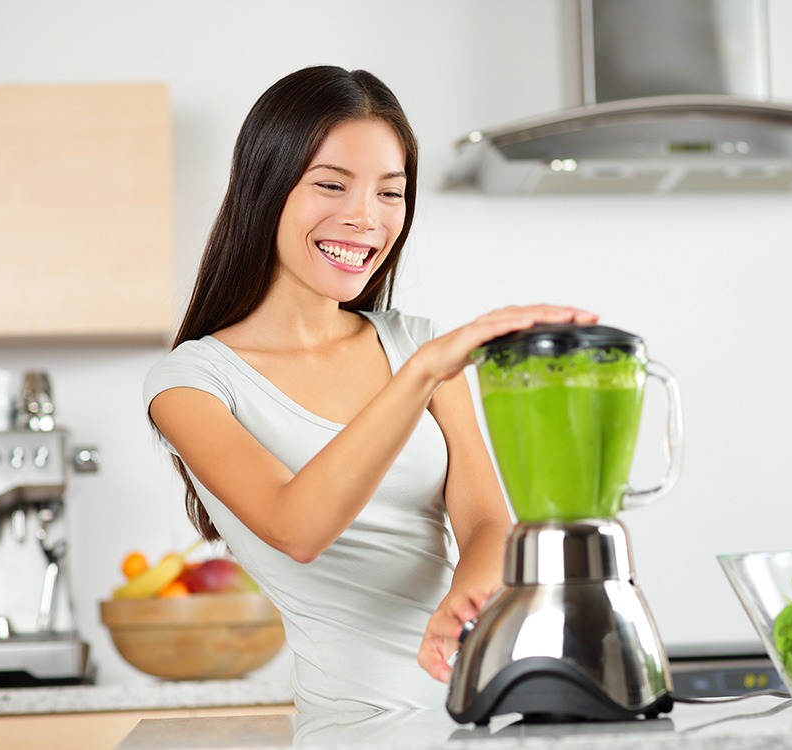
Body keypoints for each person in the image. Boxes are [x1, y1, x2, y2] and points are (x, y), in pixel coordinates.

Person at [143, 65, 597, 713]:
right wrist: (421, 374)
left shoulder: (414, 342)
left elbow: (488, 519)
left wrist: (465, 601)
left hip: (483, 705)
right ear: (264, 189)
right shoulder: (192, 382)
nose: (365, 218)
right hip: (355, 723)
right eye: (331, 185)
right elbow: (298, 526)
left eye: (391, 193)